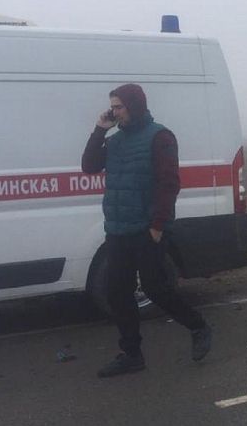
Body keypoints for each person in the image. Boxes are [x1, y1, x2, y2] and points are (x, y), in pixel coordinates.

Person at [81, 83, 212, 378]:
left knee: (156, 289)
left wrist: (157, 226)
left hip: (146, 228)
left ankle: (198, 326)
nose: (114, 112)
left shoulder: (160, 137)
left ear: (134, 106)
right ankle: (132, 354)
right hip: (117, 228)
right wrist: (100, 129)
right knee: (116, 292)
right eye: (112, 107)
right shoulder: (114, 141)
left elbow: (169, 184)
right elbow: (89, 166)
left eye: (118, 107)